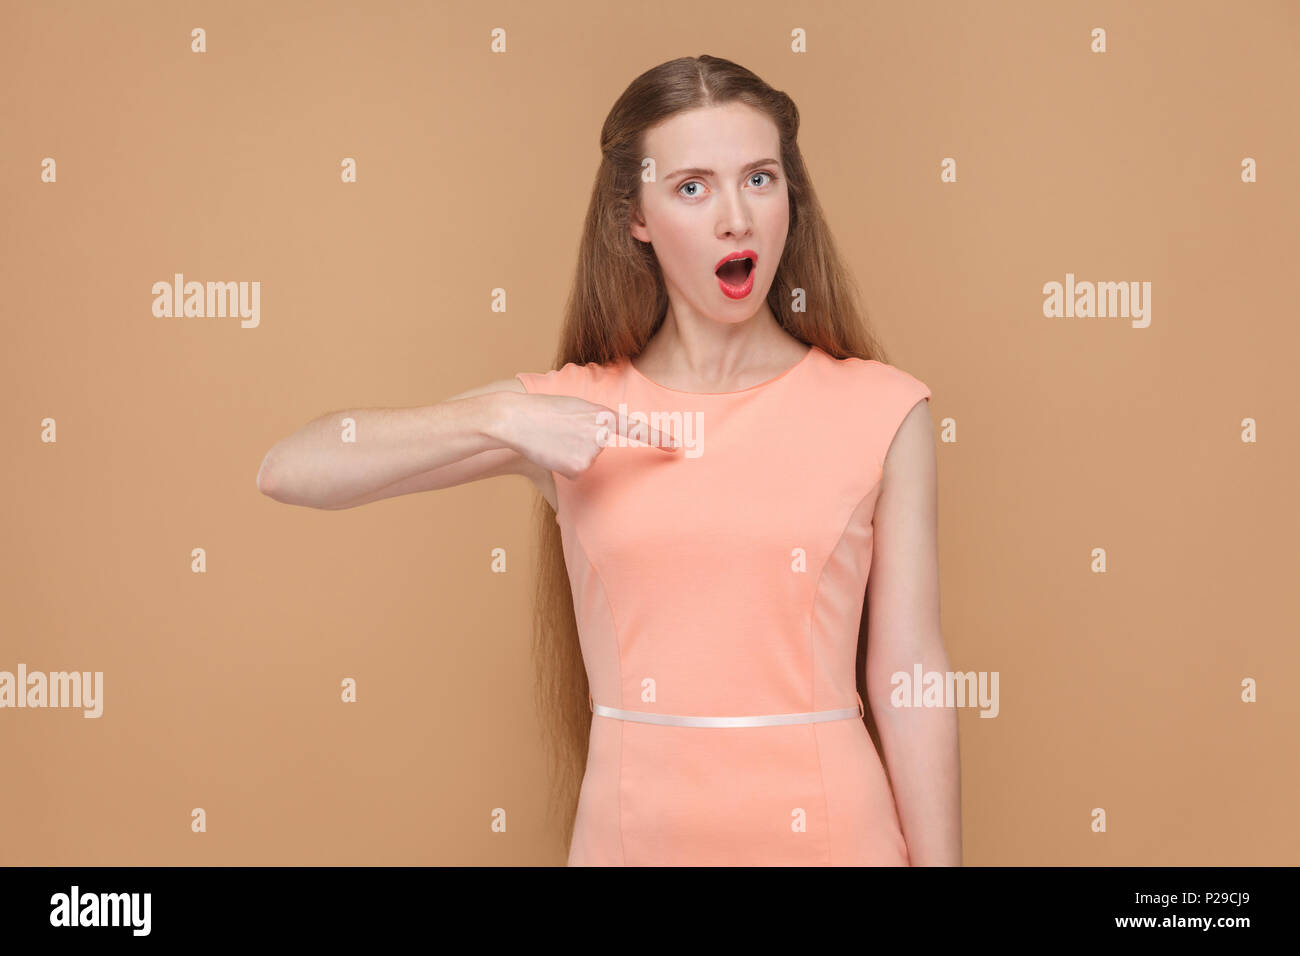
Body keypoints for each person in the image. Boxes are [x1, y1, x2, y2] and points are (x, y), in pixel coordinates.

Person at [257, 54, 960, 866]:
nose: (736, 218)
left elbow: (912, 677)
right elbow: (292, 468)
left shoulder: (883, 409)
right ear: (636, 217)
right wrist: (504, 418)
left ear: (789, 198)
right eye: (692, 187)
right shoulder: (565, 413)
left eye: (759, 179)